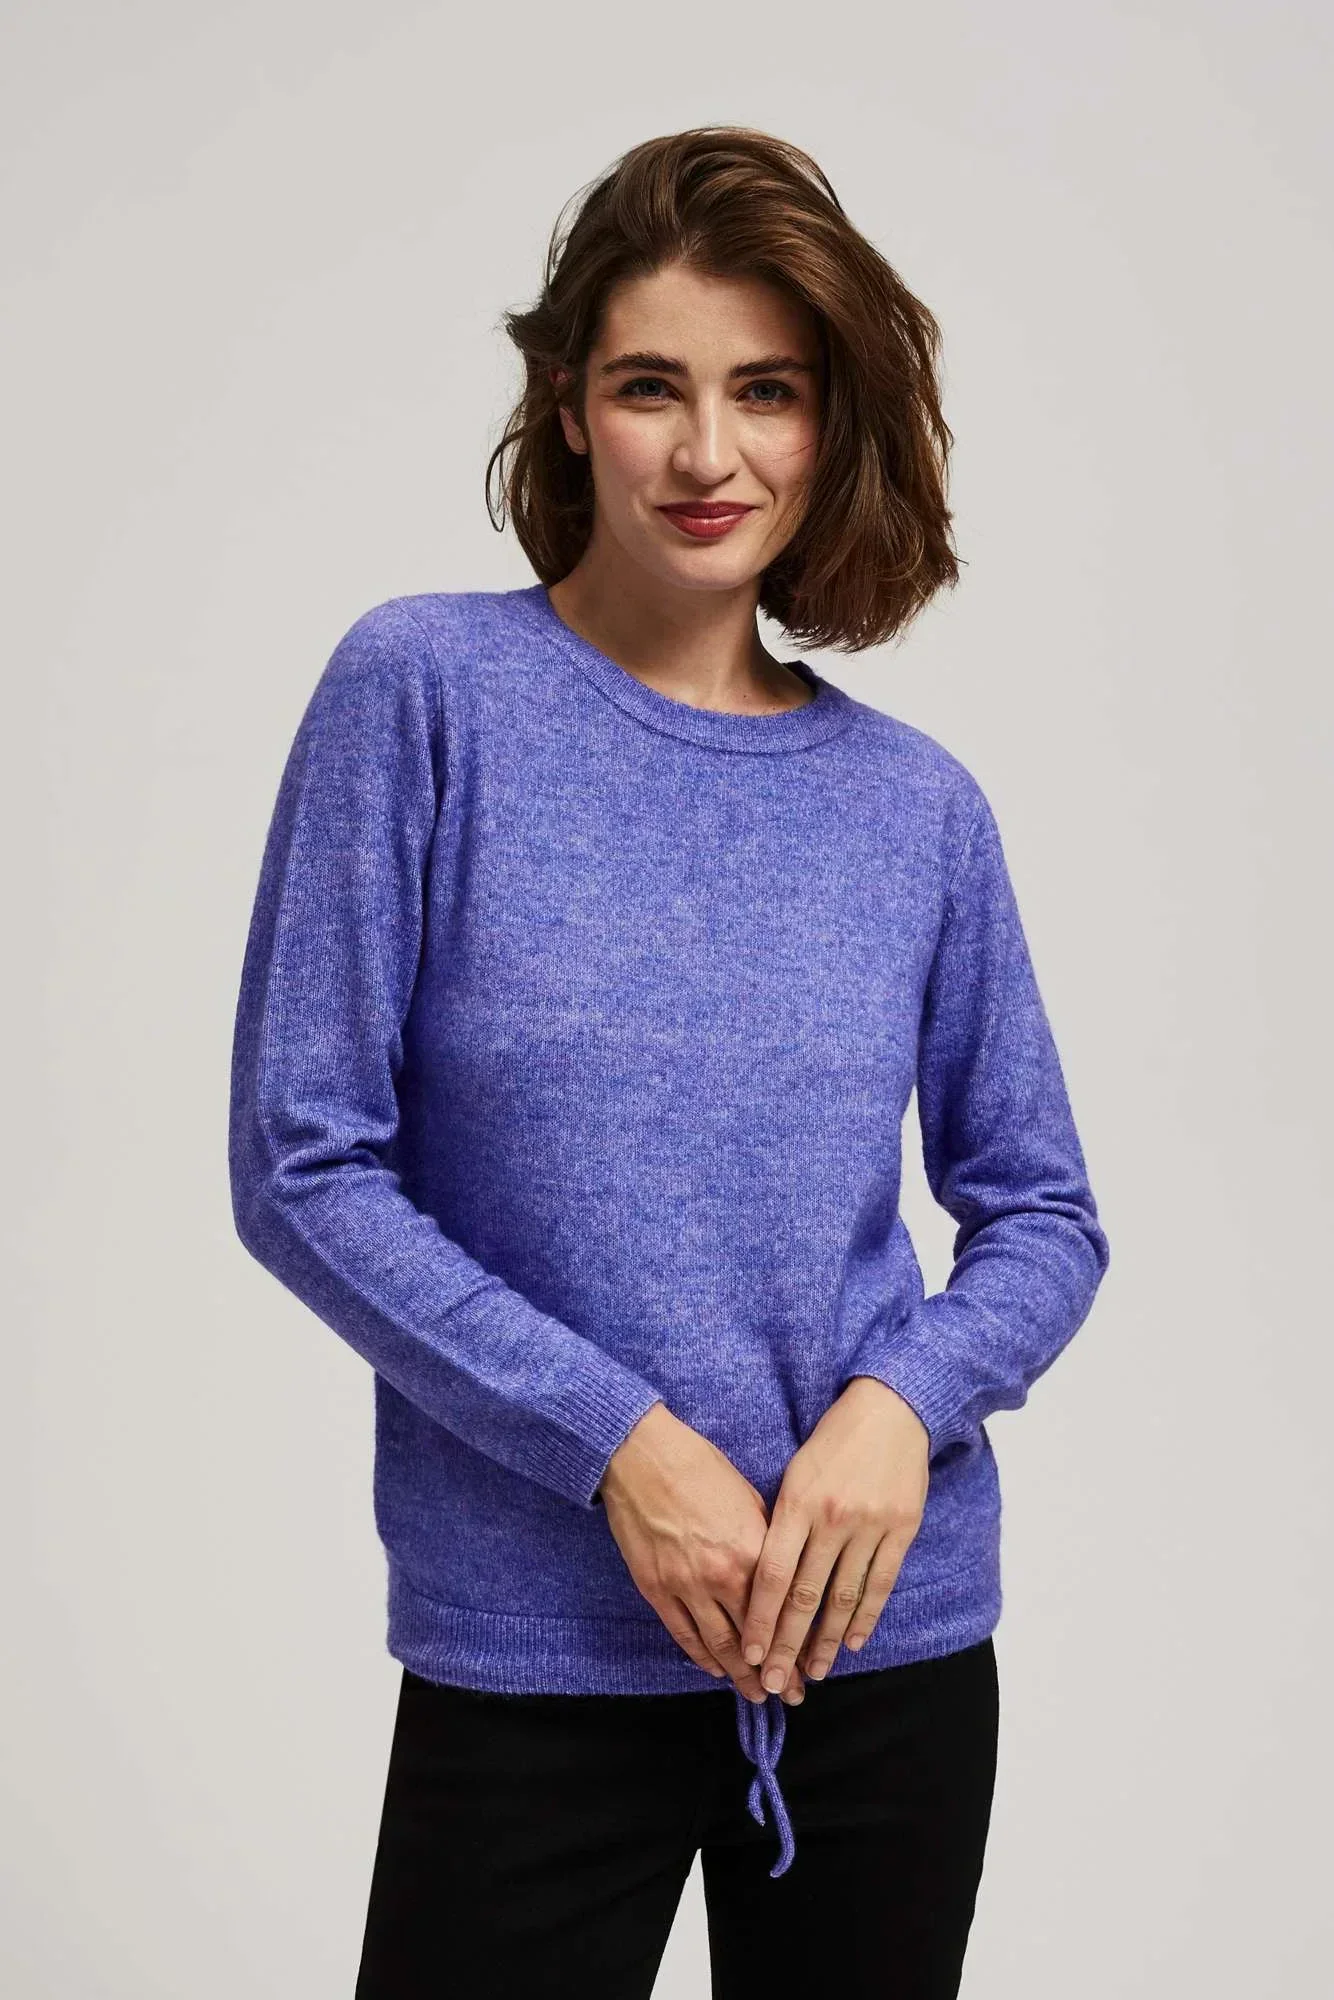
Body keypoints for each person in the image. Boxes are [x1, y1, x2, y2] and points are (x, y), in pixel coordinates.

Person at [228, 125, 1110, 1998]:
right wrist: (621, 1449)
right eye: (651, 387)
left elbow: (1041, 1213)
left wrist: (897, 1412)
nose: (709, 454)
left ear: (830, 423)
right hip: (538, 1649)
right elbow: (304, 1165)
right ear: (567, 409)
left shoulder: (914, 810)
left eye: (765, 392)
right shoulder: (426, 694)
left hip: (882, 1655)